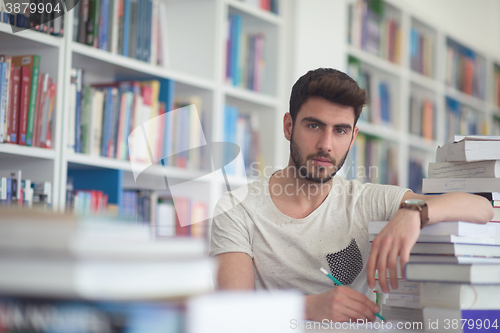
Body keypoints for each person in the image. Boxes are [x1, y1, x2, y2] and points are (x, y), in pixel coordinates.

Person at [209, 68, 494, 322]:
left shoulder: (366, 201)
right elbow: (232, 310)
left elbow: (482, 207)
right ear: (288, 126)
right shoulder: (237, 208)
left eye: (340, 130)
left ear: (353, 137)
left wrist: (413, 212)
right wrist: (307, 308)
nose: (326, 144)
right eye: (313, 125)